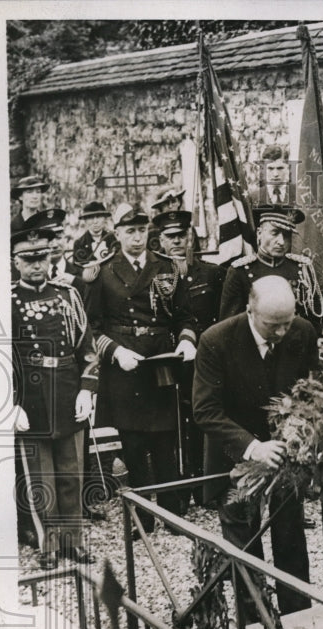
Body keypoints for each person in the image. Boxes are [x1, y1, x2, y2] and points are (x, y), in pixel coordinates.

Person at [193, 276, 319, 615]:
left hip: (286, 459)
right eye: (272, 325)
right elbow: (205, 411)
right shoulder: (216, 340)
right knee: (245, 550)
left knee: (291, 541)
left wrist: (304, 432)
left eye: (286, 323)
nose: (281, 333)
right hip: (235, 458)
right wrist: (253, 447)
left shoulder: (302, 331)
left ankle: (300, 620)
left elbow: (313, 392)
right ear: (250, 310)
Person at [88, 203, 197, 526]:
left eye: (140, 230)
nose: (136, 237)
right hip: (125, 366)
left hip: (160, 362)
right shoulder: (102, 272)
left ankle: (172, 511)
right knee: (134, 443)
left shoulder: (167, 266)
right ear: (117, 233)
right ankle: (142, 517)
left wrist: (187, 340)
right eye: (129, 230)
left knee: (166, 439)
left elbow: (185, 316)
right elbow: (92, 328)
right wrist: (116, 352)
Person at [11, 226, 99, 569]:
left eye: (42, 258)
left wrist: (87, 390)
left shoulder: (68, 296)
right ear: (16, 262)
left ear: (51, 258)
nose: (36, 266)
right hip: (30, 397)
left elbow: (88, 350)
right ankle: (47, 544)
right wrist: (12, 402)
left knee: (71, 472)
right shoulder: (7, 301)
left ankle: (73, 542)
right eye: (28, 260)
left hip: (66, 390)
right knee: (39, 476)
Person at [153, 209, 227, 500]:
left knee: (203, 422)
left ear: (190, 237)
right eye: (170, 237)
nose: (177, 242)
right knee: (171, 425)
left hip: (204, 363)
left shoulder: (211, 273)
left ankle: (206, 487)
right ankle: (180, 489)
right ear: (160, 240)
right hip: (167, 362)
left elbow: (222, 319)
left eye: (182, 236)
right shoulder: (155, 274)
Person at [218, 206, 323, 338]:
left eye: (286, 235)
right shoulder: (240, 272)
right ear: (259, 233)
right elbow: (230, 325)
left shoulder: (301, 269)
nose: (281, 242)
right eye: (275, 233)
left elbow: (314, 319)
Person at [72, 201, 117, 280]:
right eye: (91, 217)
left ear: (105, 219)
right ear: (85, 220)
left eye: (99, 216)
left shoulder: (113, 239)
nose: (95, 221)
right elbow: (78, 270)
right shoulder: (79, 243)